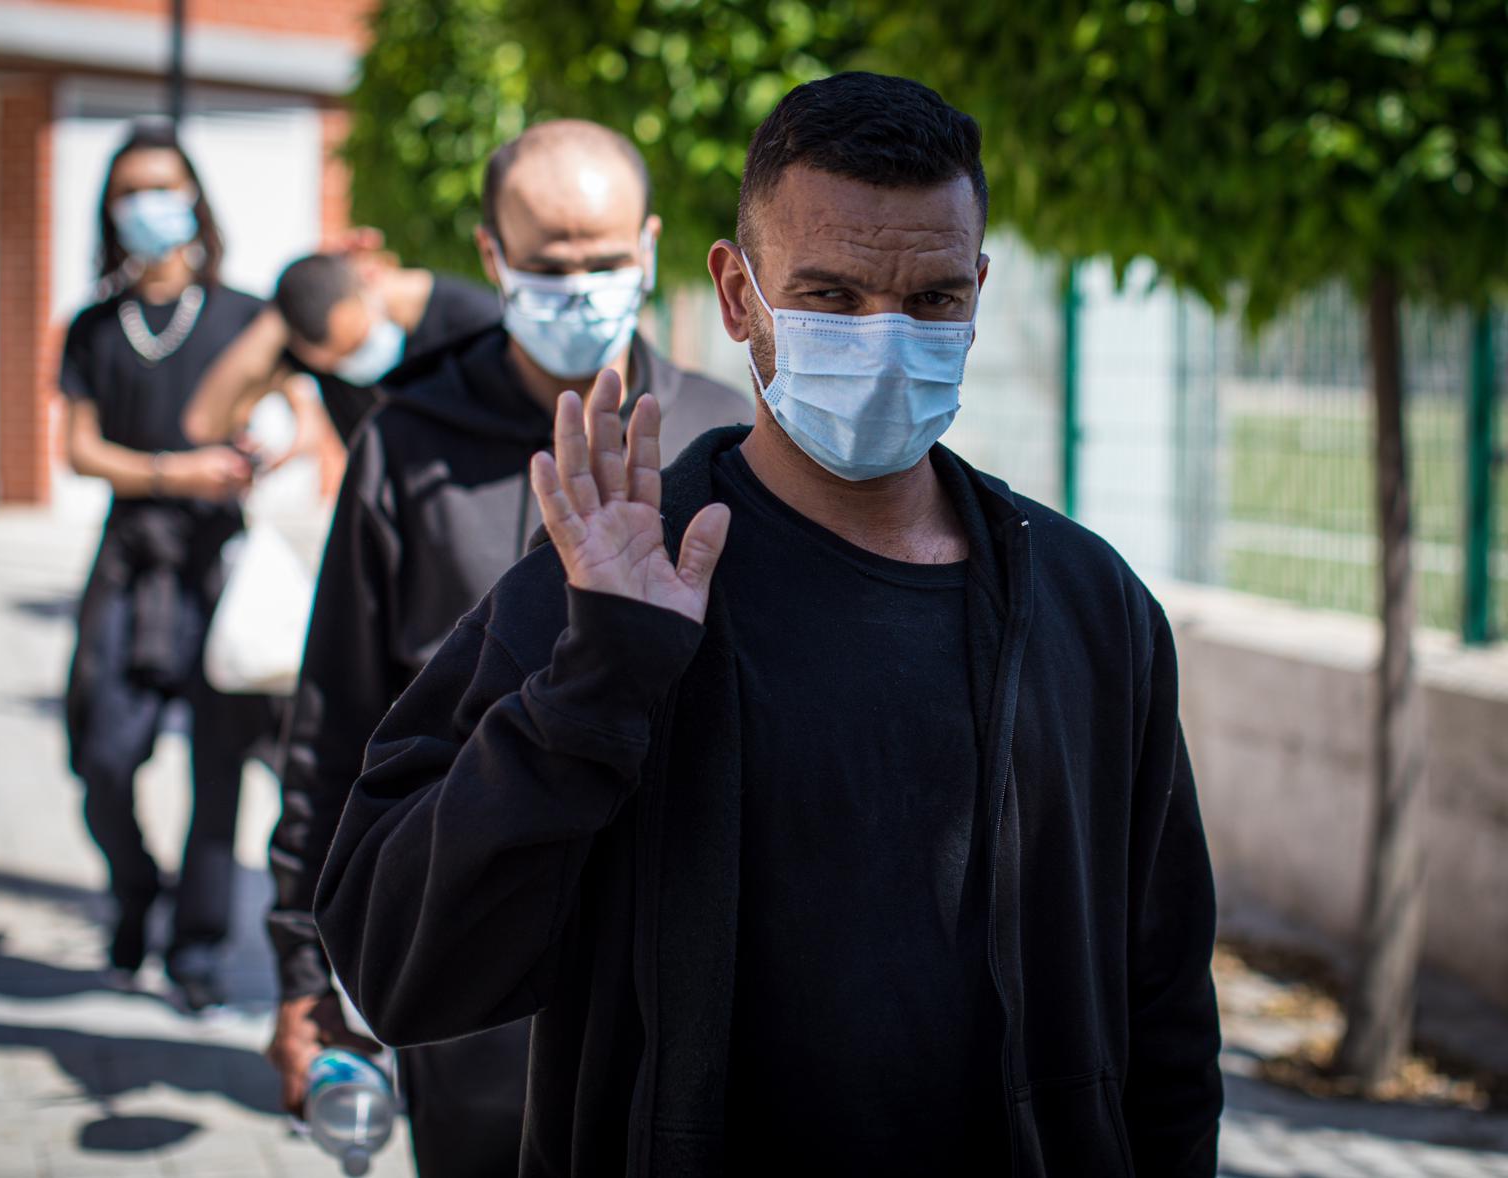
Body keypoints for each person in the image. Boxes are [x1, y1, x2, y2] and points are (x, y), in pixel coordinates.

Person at [314, 74, 1224, 1177]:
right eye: (831, 297)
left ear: (978, 289)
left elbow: (1163, 1000)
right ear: (737, 296)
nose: (884, 341)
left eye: (932, 299)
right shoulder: (607, 584)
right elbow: (398, 961)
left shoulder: (1089, 608)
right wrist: (591, 689)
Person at [265, 119, 748, 1175]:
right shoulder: (406, 444)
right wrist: (307, 968)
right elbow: (337, 723)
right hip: (476, 973)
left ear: (652, 244)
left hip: (686, 978)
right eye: (548, 264)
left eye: (606, 260)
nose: (580, 287)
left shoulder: (726, 440)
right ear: (491, 258)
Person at [59, 121, 279, 1014]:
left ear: (193, 198)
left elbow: (293, 412)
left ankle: (197, 950)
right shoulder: (92, 325)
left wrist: (269, 446)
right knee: (101, 752)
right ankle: (133, 891)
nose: (152, 204)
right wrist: (167, 472)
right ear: (112, 212)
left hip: (214, 560)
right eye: (132, 191)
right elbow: (77, 448)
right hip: (128, 560)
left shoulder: (243, 314)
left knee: (218, 770)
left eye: (166, 185)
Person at [182, 243, 501, 451]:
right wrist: (277, 316)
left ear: (370, 277)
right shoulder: (310, 350)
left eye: (359, 344)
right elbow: (204, 423)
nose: (356, 364)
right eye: (338, 361)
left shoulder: (478, 323)